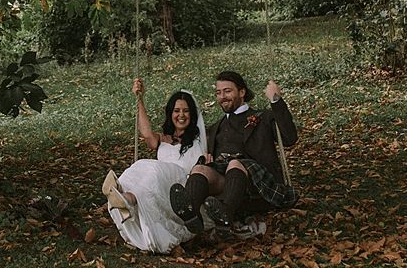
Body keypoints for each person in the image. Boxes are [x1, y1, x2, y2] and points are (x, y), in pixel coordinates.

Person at [169, 70, 298, 234]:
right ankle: (192, 214)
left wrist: (276, 100)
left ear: (242, 92)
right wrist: (166, 138)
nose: (222, 96)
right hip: (228, 184)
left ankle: (226, 213)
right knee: (200, 169)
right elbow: (182, 135)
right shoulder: (215, 128)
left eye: (227, 91)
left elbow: (290, 138)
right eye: (218, 92)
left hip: (257, 185)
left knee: (235, 163)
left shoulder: (263, 117)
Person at [101, 79, 208, 254]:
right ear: (170, 114)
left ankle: (127, 198)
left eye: (186, 111)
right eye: (177, 111)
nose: (181, 115)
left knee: (153, 169)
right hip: (158, 185)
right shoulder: (162, 139)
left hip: (181, 188)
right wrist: (139, 98)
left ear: (192, 115)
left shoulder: (200, 141)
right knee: (142, 167)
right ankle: (125, 194)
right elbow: (145, 133)